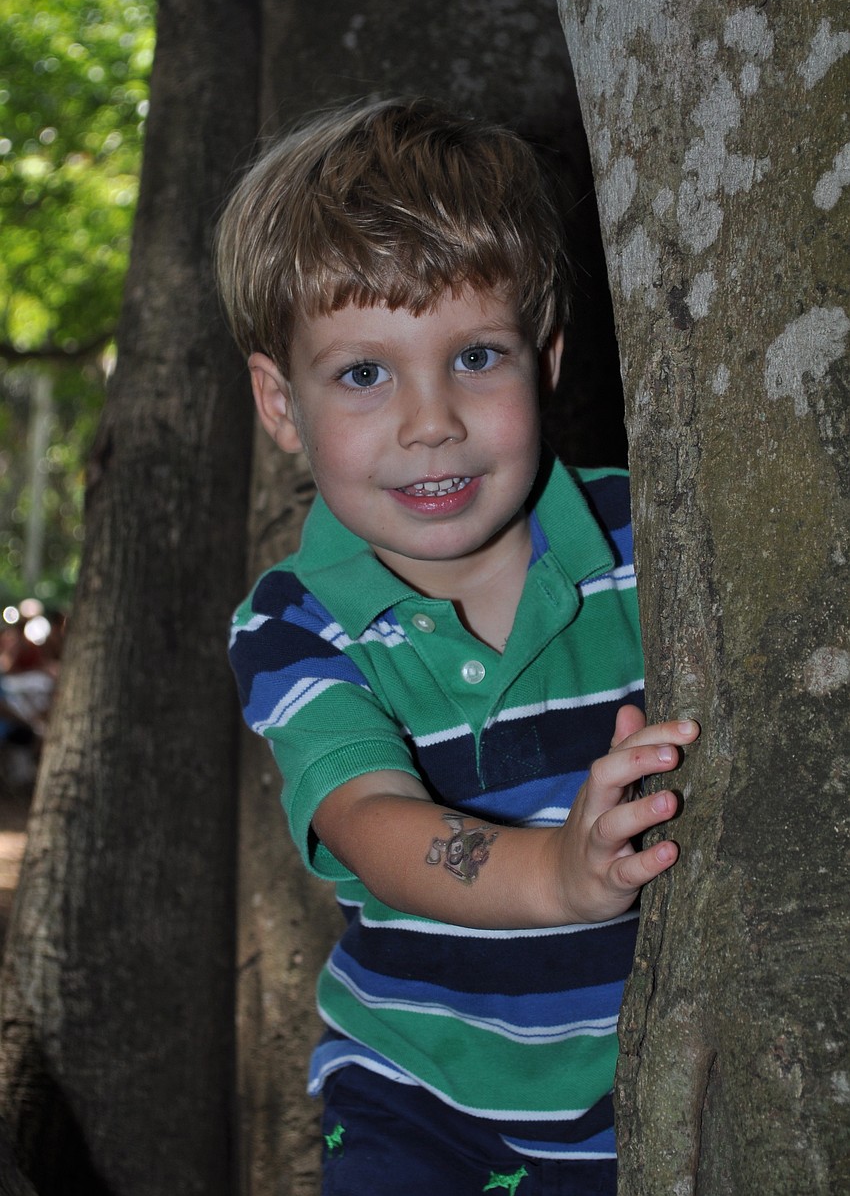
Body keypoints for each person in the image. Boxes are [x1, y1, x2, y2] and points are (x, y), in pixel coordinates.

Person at [217, 98, 699, 1195]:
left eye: (475, 354)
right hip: (417, 1110)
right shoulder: (296, 622)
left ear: (548, 359)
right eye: (364, 374)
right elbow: (371, 823)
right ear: (278, 403)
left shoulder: (657, 543)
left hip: (646, 1103)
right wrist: (559, 874)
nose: (430, 420)